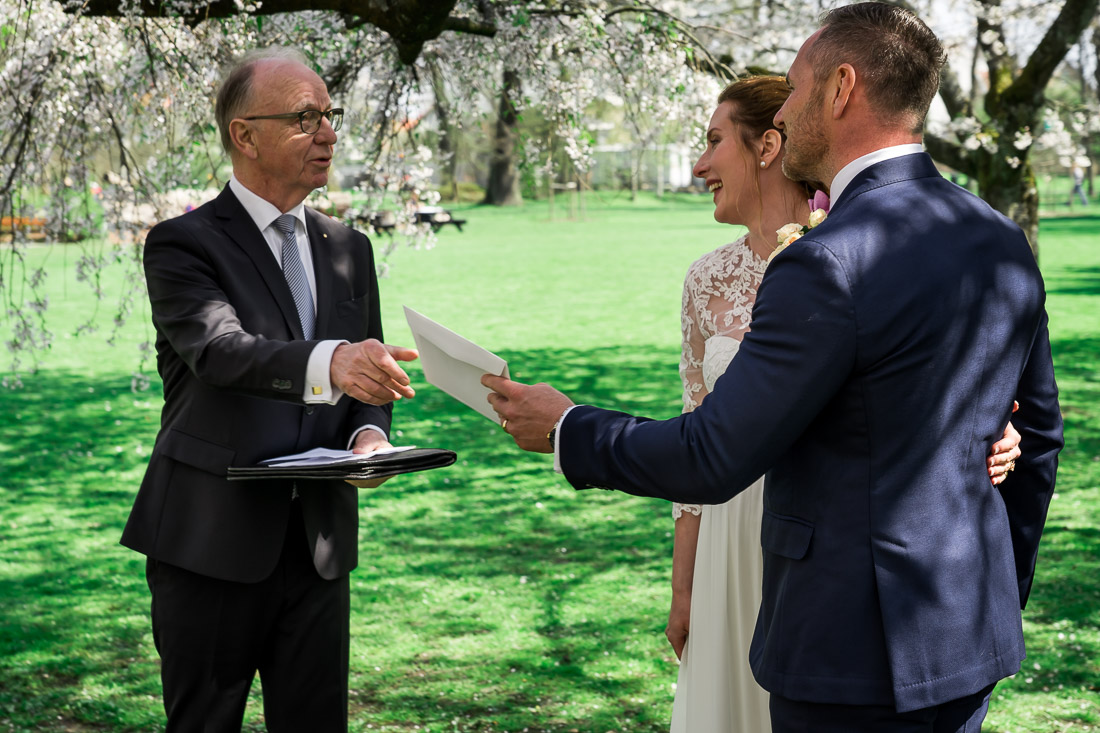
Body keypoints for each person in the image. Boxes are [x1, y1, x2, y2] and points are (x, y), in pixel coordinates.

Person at [484, 4, 1063, 731]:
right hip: (966, 642)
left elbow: (714, 453)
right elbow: (1038, 435)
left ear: (841, 87)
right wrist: (999, 589)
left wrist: (568, 428)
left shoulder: (826, 262)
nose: (784, 111)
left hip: (845, 660)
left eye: (794, 88)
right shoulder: (1000, 238)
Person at [666, 75, 1023, 733]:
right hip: (728, 534)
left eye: (715, 140)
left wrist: (992, 435)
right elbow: (697, 426)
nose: (699, 163)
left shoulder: (851, 253)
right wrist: (684, 584)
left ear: (769, 145)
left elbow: (935, 384)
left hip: (823, 553)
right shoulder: (705, 279)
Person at [120, 47, 419, 731]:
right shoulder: (183, 244)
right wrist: (332, 362)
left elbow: (365, 374)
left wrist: (370, 435)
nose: (327, 133)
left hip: (319, 549)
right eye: (304, 117)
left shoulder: (351, 249)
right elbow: (220, 351)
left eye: (329, 115)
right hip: (209, 541)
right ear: (244, 135)